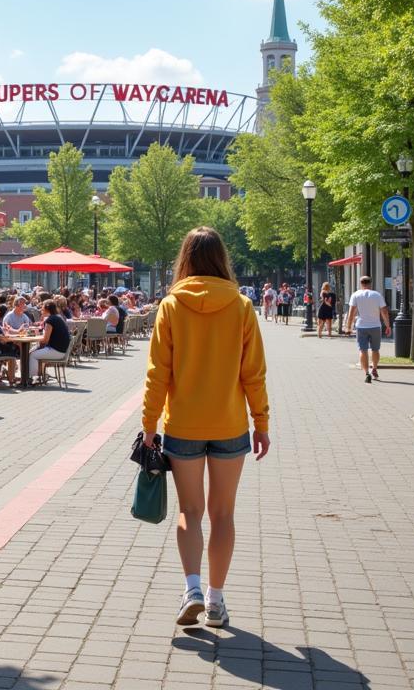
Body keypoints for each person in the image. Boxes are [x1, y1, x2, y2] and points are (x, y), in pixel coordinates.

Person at [142, 226, 270, 629]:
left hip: (183, 425)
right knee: (223, 513)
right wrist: (261, 422)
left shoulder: (171, 305)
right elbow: (254, 373)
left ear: (185, 259)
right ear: (221, 259)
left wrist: (149, 424)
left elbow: (157, 374)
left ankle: (192, 589)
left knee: (190, 511)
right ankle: (216, 602)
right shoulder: (242, 306)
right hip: (230, 423)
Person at [344, 275, 391, 384]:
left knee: (362, 350)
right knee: (375, 349)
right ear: (370, 283)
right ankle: (374, 368)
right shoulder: (377, 295)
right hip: (375, 326)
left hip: (361, 326)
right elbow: (384, 311)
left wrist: (348, 327)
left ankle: (366, 373)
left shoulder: (355, 295)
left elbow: (351, 313)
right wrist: (387, 325)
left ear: (361, 284)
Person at [30, 300, 71, 382]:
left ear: (46, 309)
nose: (41, 310)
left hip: (56, 351)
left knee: (32, 355)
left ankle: (34, 377)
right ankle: (41, 374)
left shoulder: (50, 320)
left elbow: (45, 340)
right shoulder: (58, 318)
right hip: (62, 350)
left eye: (42, 308)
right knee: (32, 351)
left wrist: (37, 336)